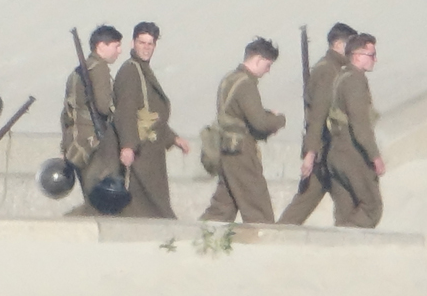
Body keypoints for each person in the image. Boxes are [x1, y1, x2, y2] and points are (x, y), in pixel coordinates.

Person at [278, 23, 357, 225]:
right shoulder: (327, 71)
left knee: (329, 203)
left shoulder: (336, 68)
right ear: (339, 44)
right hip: (325, 149)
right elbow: (317, 115)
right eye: (351, 44)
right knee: (345, 205)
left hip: (327, 149)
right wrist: (311, 153)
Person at [201, 37, 286, 224]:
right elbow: (260, 123)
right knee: (259, 209)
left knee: (221, 208)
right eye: (268, 65)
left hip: (226, 148)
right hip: (242, 151)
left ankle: (198, 240)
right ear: (258, 59)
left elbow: (236, 114)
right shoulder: (246, 84)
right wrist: (279, 120)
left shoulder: (229, 79)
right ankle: (263, 248)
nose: (268, 71)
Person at [113, 22, 191, 218]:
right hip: (140, 150)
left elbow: (152, 113)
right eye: (142, 42)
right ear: (133, 43)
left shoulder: (142, 70)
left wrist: (173, 138)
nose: (146, 47)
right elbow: (126, 111)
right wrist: (128, 146)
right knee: (148, 204)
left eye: (150, 43)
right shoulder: (131, 71)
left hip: (150, 149)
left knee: (152, 203)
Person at [324, 33, 383, 228]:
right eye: (371, 54)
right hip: (351, 153)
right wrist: (375, 156)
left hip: (336, 152)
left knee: (345, 213)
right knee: (372, 207)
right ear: (357, 55)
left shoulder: (341, 76)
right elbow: (360, 124)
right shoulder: (355, 81)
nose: (375, 59)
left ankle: (337, 252)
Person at [62, 25, 122, 213]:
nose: (119, 51)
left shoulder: (78, 71)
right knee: (102, 200)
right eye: (116, 45)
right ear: (101, 46)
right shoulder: (99, 68)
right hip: (95, 142)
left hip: (77, 143)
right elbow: (104, 106)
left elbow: (67, 114)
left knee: (92, 196)